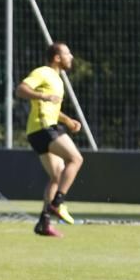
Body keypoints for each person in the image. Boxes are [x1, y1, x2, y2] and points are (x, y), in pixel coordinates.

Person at [14, 42, 84, 238]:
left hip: (37, 131)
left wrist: (67, 120)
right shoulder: (44, 72)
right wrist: (43, 96)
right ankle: (57, 204)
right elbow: (20, 90)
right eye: (67, 53)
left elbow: (51, 106)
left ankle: (44, 223)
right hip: (44, 128)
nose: (71, 57)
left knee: (57, 174)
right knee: (76, 159)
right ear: (57, 57)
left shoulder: (58, 79)